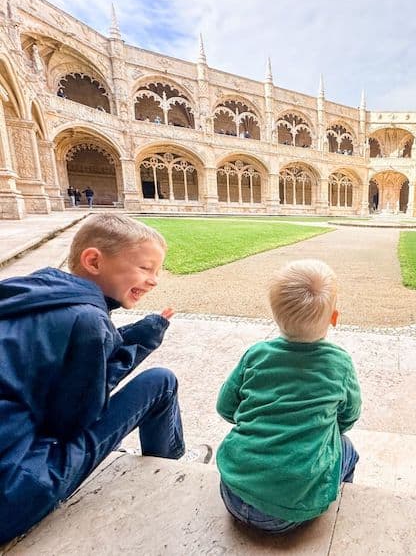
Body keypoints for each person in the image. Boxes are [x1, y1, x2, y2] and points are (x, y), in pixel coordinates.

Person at [0, 214, 192, 544]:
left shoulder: (32, 291)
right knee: (160, 381)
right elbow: (74, 422)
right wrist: (141, 343)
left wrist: (131, 337)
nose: (155, 280)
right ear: (93, 261)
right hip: (14, 491)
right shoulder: (89, 321)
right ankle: (170, 471)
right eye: (146, 268)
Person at [216, 259, 361, 534]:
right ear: (334, 317)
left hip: (233, 493)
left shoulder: (256, 355)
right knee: (347, 448)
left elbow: (225, 408)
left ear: (274, 315)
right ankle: (336, 508)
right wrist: (322, 432)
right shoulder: (339, 363)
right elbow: (349, 416)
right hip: (290, 514)